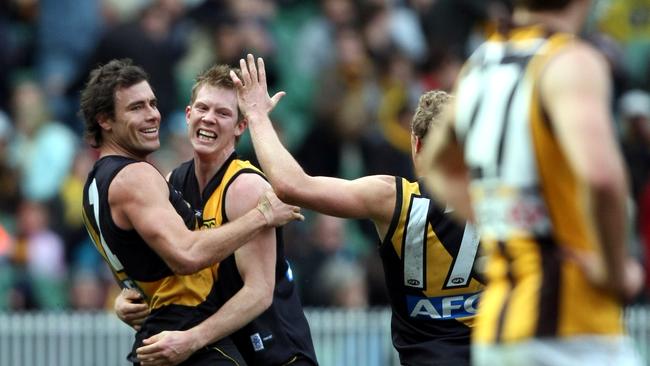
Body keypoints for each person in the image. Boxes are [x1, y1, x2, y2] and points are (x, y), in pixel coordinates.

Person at [419, 1, 644, 365]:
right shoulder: (569, 60)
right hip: (570, 328)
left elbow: (438, 163)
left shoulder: (481, 63)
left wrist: (503, 221)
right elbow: (602, 178)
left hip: (497, 331)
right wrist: (615, 271)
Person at [232, 54, 484, 366]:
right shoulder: (498, 196)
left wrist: (256, 116)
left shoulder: (393, 198)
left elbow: (290, 185)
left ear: (416, 146)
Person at [80, 58, 303, 365]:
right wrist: (129, 297)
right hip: (207, 344)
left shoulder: (247, 187)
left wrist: (192, 337)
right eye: (202, 108)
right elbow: (174, 259)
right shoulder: (168, 181)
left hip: (274, 352)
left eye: (223, 112)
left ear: (241, 126)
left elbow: (259, 293)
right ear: (188, 114)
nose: (209, 118)